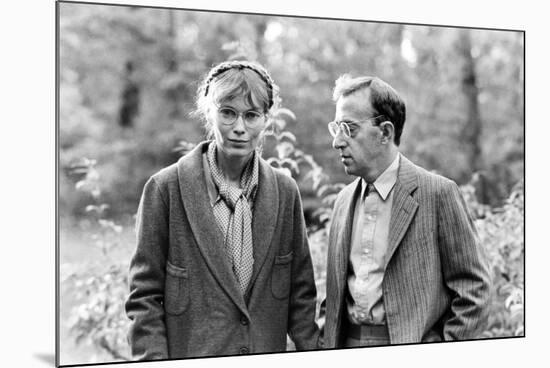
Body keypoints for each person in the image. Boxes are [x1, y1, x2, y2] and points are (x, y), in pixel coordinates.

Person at [125, 60, 319, 360]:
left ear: (266, 119)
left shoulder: (284, 192)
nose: (239, 128)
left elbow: (301, 298)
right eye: (228, 113)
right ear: (208, 113)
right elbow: (144, 298)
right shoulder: (165, 189)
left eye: (251, 115)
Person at [320, 74, 491, 348]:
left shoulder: (438, 194)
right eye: (336, 128)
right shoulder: (343, 201)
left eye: (349, 129)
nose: (337, 142)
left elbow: (475, 289)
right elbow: (333, 297)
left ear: (385, 132)